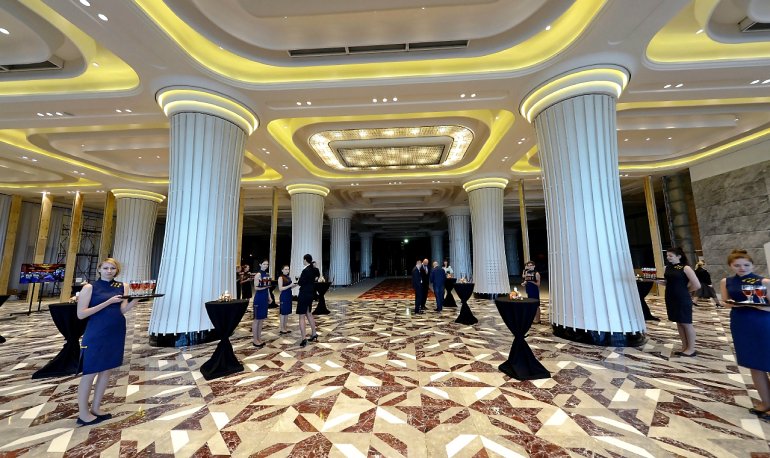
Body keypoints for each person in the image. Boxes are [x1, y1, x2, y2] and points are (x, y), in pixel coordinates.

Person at [76, 258, 139, 426]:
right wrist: (108, 302)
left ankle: (96, 408)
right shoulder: (90, 288)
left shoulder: (122, 286)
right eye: (106, 268)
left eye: (112, 268)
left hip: (116, 331)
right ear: (99, 269)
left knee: (106, 371)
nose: (109, 271)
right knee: (90, 373)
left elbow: (122, 310)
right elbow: (81, 314)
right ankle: (83, 413)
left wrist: (136, 299)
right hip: (96, 332)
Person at [720, 249, 770, 420]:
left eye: (746, 265)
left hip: (762, 323)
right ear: (731, 266)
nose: (742, 268)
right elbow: (725, 302)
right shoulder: (726, 281)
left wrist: (761, 306)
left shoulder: (764, 281)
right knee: (754, 364)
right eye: (737, 265)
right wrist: (733, 304)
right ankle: (765, 402)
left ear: (752, 265)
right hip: (741, 323)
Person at [656, 247, 701, 357]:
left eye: (671, 256)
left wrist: (685, 291)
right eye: (667, 256)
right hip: (670, 297)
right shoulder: (667, 267)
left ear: (679, 256)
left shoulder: (686, 268)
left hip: (682, 298)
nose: (668, 258)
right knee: (679, 323)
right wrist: (658, 281)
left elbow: (697, 285)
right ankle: (684, 346)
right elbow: (670, 282)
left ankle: (691, 349)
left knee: (686, 323)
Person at [296, 254, 319, 347]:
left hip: (304, 294)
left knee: (301, 316)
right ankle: (314, 333)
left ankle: (303, 338)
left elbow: (300, 282)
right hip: (310, 294)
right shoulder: (314, 269)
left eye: (303, 259)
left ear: (305, 260)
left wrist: (299, 280)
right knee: (309, 314)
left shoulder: (305, 270)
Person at [252, 259, 272, 348]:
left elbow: (267, 288)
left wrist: (269, 297)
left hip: (264, 298)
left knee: (261, 319)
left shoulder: (267, 274)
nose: (266, 266)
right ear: (260, 264)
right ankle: (255, 340)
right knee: (257, 319)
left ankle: (259, 338)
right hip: (259, 298)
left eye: (267, 264)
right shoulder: (258, 274)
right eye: (264, 264)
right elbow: (256, 288)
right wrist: (266, 287)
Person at [277, 265, 297, 334]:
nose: (287, 271)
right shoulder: (280, 277)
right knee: (283, 312)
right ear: (282, 270)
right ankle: (282, 328)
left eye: (288, 269)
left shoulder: (288, 277)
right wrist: (290, 285)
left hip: (289, 295)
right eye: (285, 269)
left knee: (287, 313)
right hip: (284, 296)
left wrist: (295, 285)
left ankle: (285, 327)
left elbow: (290, 288)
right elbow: (280, 289)